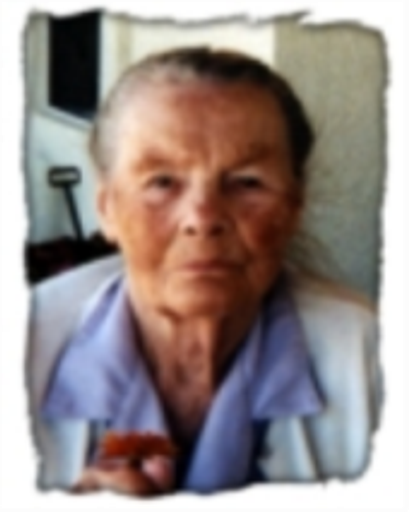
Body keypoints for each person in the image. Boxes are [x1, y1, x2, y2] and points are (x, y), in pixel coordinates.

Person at [27, 47, 382, 496]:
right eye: (162, 182)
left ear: (294, 206)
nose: (203, 217)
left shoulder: (370, 358)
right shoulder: (25, 346)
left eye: (247, 182)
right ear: (107, 207)